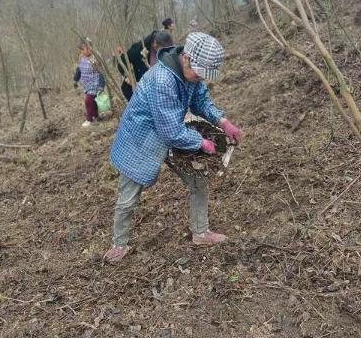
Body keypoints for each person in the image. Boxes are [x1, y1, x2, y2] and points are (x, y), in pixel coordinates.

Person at [104, 32, 243, 263]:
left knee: (198, 179)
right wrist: (201, 142)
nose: (200, 79)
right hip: (141, 139)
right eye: (198, 74)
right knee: (128, 199)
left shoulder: (191, 76)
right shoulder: (162, 80)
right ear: (186, 59)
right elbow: (169, 130)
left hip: (173, 130)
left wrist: (223, 122)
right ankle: (119, 243)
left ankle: (201, 232)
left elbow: (201, 101)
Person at [116, 30, 174, 101]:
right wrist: (128, 76)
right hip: (140, 91)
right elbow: (122, 63)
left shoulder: (164, 42)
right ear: (155, 44)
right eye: (163, 50)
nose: (165, 52)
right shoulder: (138, 50)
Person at [78, 40, 105, 127]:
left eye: (83, 49)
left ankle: (89, 119)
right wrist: (76, 79)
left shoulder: (95, 57)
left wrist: (101, 85)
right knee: (93, 101)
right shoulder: (81, 57)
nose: (82, 51)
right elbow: (79, 69)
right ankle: (96, 116)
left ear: (89, 48)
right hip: (87, 84)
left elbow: (101, 71)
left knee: (88, 101)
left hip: (95, 83)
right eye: (81, 49)